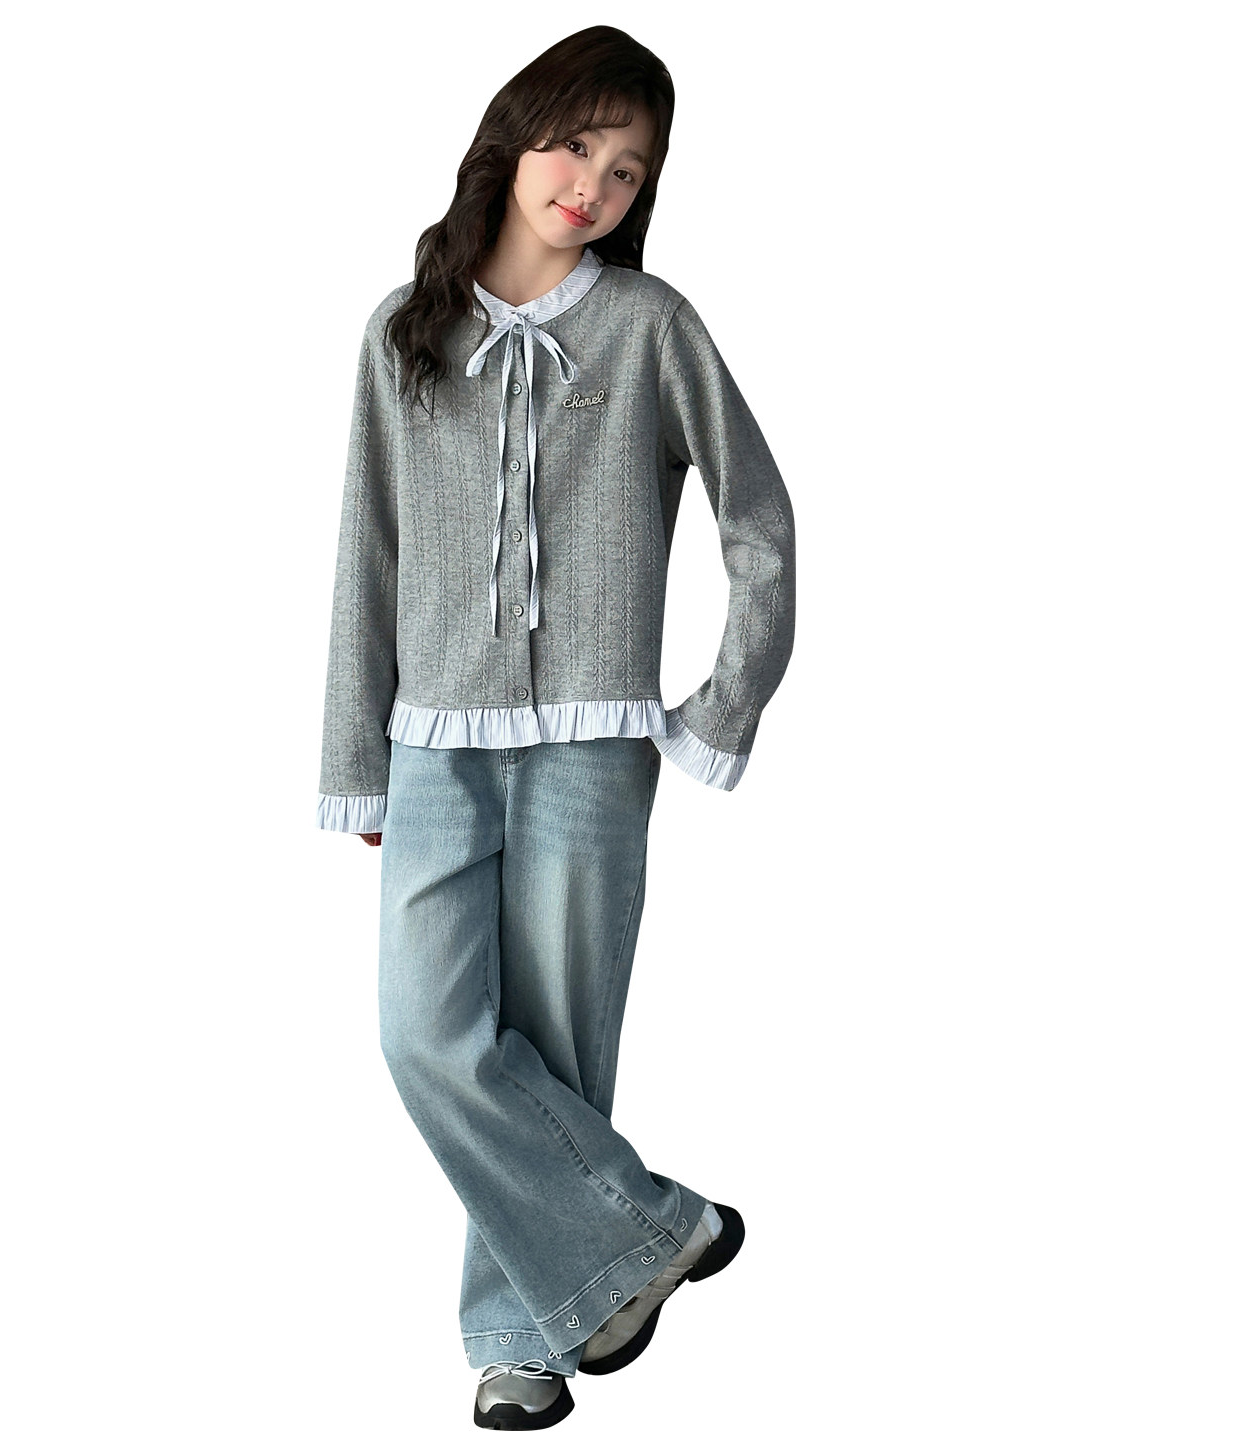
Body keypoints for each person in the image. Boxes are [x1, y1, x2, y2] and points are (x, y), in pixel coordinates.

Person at [316, 24, 795, 1431]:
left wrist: (717, 709)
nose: (592, 184)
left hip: (594, 749)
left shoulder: (649, 328)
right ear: (511, 138)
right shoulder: (403, 330)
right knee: (427, 1037)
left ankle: (520, 1341)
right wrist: (354, 763)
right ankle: (655, 1231)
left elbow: (759, 520)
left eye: (627, 168)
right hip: (432, 742)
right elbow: (367, 553)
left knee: (556, 1046)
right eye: (574, 144)